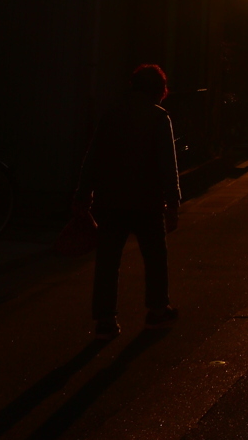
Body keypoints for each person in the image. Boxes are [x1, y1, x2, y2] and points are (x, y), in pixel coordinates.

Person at [75, 63, 181, 340]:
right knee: (155, 257)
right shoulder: (159, 118)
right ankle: (158, 310)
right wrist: (173, 204)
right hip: (148, 201)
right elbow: (167, 167)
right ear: (159, 91)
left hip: (111, 199)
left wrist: (83, 194)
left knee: (108, 261)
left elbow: (93, 156)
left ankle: (106, 319)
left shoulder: (112, 114)